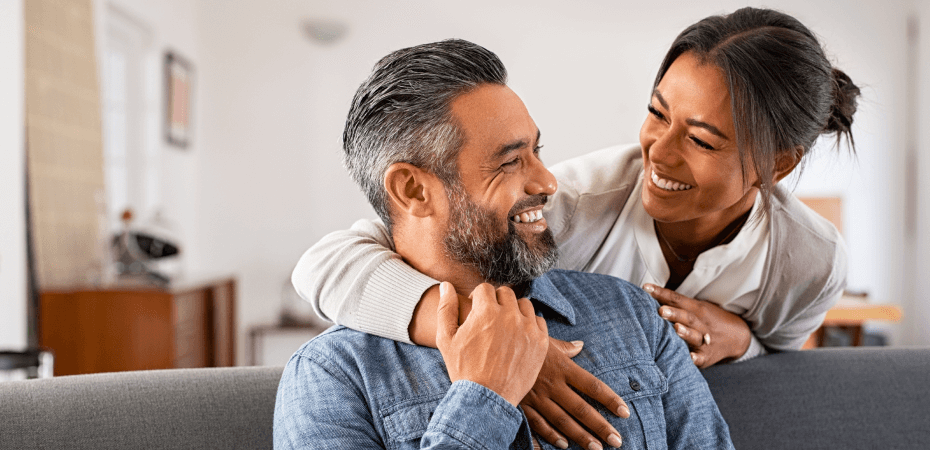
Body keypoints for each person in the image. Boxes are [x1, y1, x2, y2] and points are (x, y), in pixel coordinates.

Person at [293, 6, 859, 448]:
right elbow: (334, 260)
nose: (658, 154)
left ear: (777, 165)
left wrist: (742, 339)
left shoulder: (804, 261)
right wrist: (489, 349)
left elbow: (780, 355)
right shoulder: (575, 202)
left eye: (703, 139)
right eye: (657, 113)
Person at [274, 39, 732, 450]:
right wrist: (484, 398)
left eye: (537, 151)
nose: (548, 181)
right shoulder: (333, 376)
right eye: (511, 161)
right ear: (413, 191)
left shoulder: (633, 314)